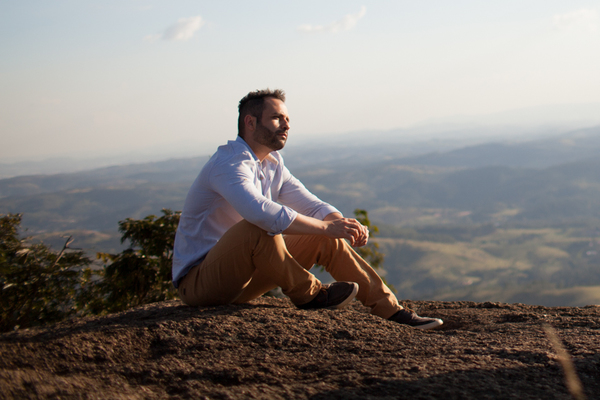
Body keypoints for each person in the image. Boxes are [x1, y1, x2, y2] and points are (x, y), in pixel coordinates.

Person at [171, 88, 443, 330]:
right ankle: (311, 295)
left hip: (243, 282)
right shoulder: (229, 164)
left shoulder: (272, 163)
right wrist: (327, 226)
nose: (286, 125)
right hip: (200, 284)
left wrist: (340, 224)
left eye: (287, 119)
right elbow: (261, 212)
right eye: (277, 118)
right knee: (258, 228)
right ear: (250, 122)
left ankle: (392, 312)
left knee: (322, 237)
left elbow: (311, 204)